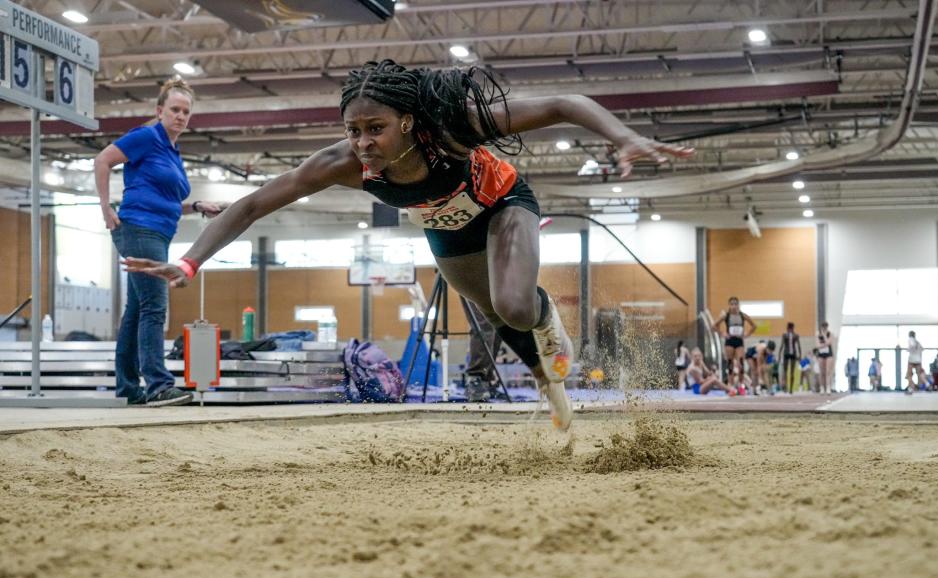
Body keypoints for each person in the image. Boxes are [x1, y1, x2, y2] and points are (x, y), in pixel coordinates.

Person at [121, 60, 694, 430]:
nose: (363, 143)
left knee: (517, 304)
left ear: (409, 122)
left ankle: (548, 327)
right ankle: (550, 388)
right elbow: (250, 205)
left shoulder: (454, 126)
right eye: (353, 130)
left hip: (503, 205)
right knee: (492, 314)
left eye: (376, 128)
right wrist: (192, 262)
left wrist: (625, 137)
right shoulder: (341, 164)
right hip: (446, 229)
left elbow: (565, 103)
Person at [95, 78, 227, 407]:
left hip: (158, 232)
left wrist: (195, 206)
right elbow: (102, 160)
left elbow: (164, 198)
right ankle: (157, 385)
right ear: (159, 111)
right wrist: (105, 206)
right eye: (174, 110)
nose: (181, 116)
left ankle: (128, 388)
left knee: (137, 310)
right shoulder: (146, 137)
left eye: (186, 111)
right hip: (139, 229)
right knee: (155, 307)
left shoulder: (171, 150)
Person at [461, 297, 503, 402]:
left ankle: (486, 379)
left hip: (493, 283)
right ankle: (474, 378)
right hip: (471, 281)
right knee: (483, 323)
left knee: (499, 325)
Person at [713, 296, 755, 392]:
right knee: (730, 364)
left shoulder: (742, 315)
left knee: (741, 363)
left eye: (736, 304)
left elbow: (754, 325)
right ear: (729, 305)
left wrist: (747, 334)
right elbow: (714, 326)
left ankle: (741, 385)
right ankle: (730, 385)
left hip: (739, 341)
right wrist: (722, 333)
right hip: (730, 341)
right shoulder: (726, 316)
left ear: (738, 305)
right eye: (732, 304)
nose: (734, 306)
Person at [779, 322, 801, 394]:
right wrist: (779, 355)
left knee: (792, 372)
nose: (789, 329)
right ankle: (786, 387)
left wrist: (800, 355)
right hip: (786, 353)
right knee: (785, 372)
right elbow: (782, 345)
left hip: (793, 354)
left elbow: (798, 346)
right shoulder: (785, 335)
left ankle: (790, 389)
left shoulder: (796, 335)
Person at [816, 322, 835, 394]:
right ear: (821, 327)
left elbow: (829, 342)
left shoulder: (830, 334)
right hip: (821, 354)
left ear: (827, 327)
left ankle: (828, 388)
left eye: (825, 327)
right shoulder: (818, 335)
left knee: (828, 372)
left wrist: (824, 336)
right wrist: (824, 344)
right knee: (821, 372)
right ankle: (822, 388)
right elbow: (817, 345)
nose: (824, 328)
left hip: (829, 354)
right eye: (823, 327)